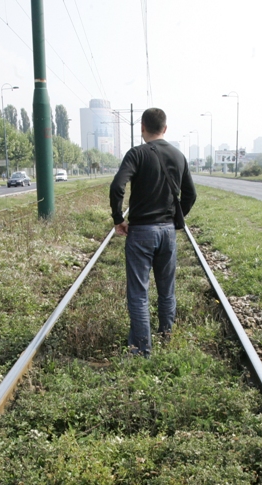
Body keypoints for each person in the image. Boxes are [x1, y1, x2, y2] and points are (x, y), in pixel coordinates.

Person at [110, 107, 197, 357]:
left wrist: (118, 219)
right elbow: (190, 195)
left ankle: (141, 349)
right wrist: (175, 219)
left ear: (142, 128)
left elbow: (117, 186)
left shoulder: (136, 154)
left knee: (139, 293)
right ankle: (166, 337)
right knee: (167, 289)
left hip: (141, 232)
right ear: (165, 128)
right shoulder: (179, 156)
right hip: (167, 232)